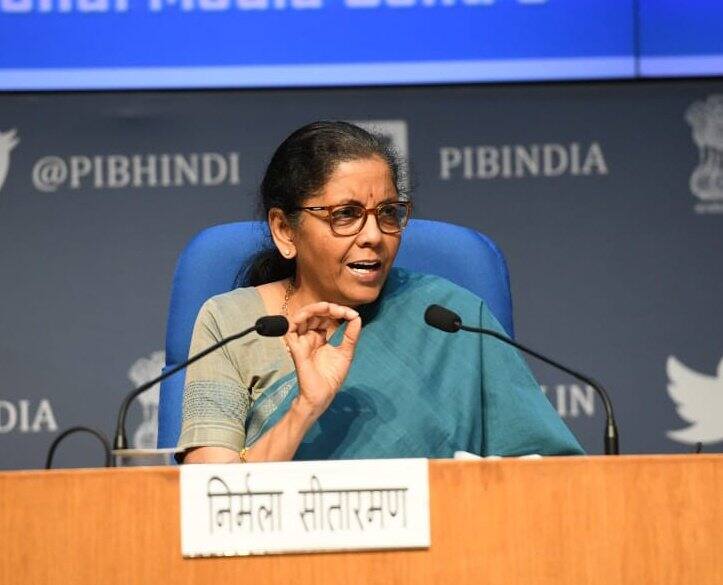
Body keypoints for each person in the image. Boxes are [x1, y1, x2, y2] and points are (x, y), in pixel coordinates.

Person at [178, 121, 583, 464]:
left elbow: (549, 473)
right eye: (346, 215)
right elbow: (208, 496)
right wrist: (305, 408)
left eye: (388, 212)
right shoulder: (232, 324)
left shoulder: (450, 318)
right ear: (285, 230)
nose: (374, 236)